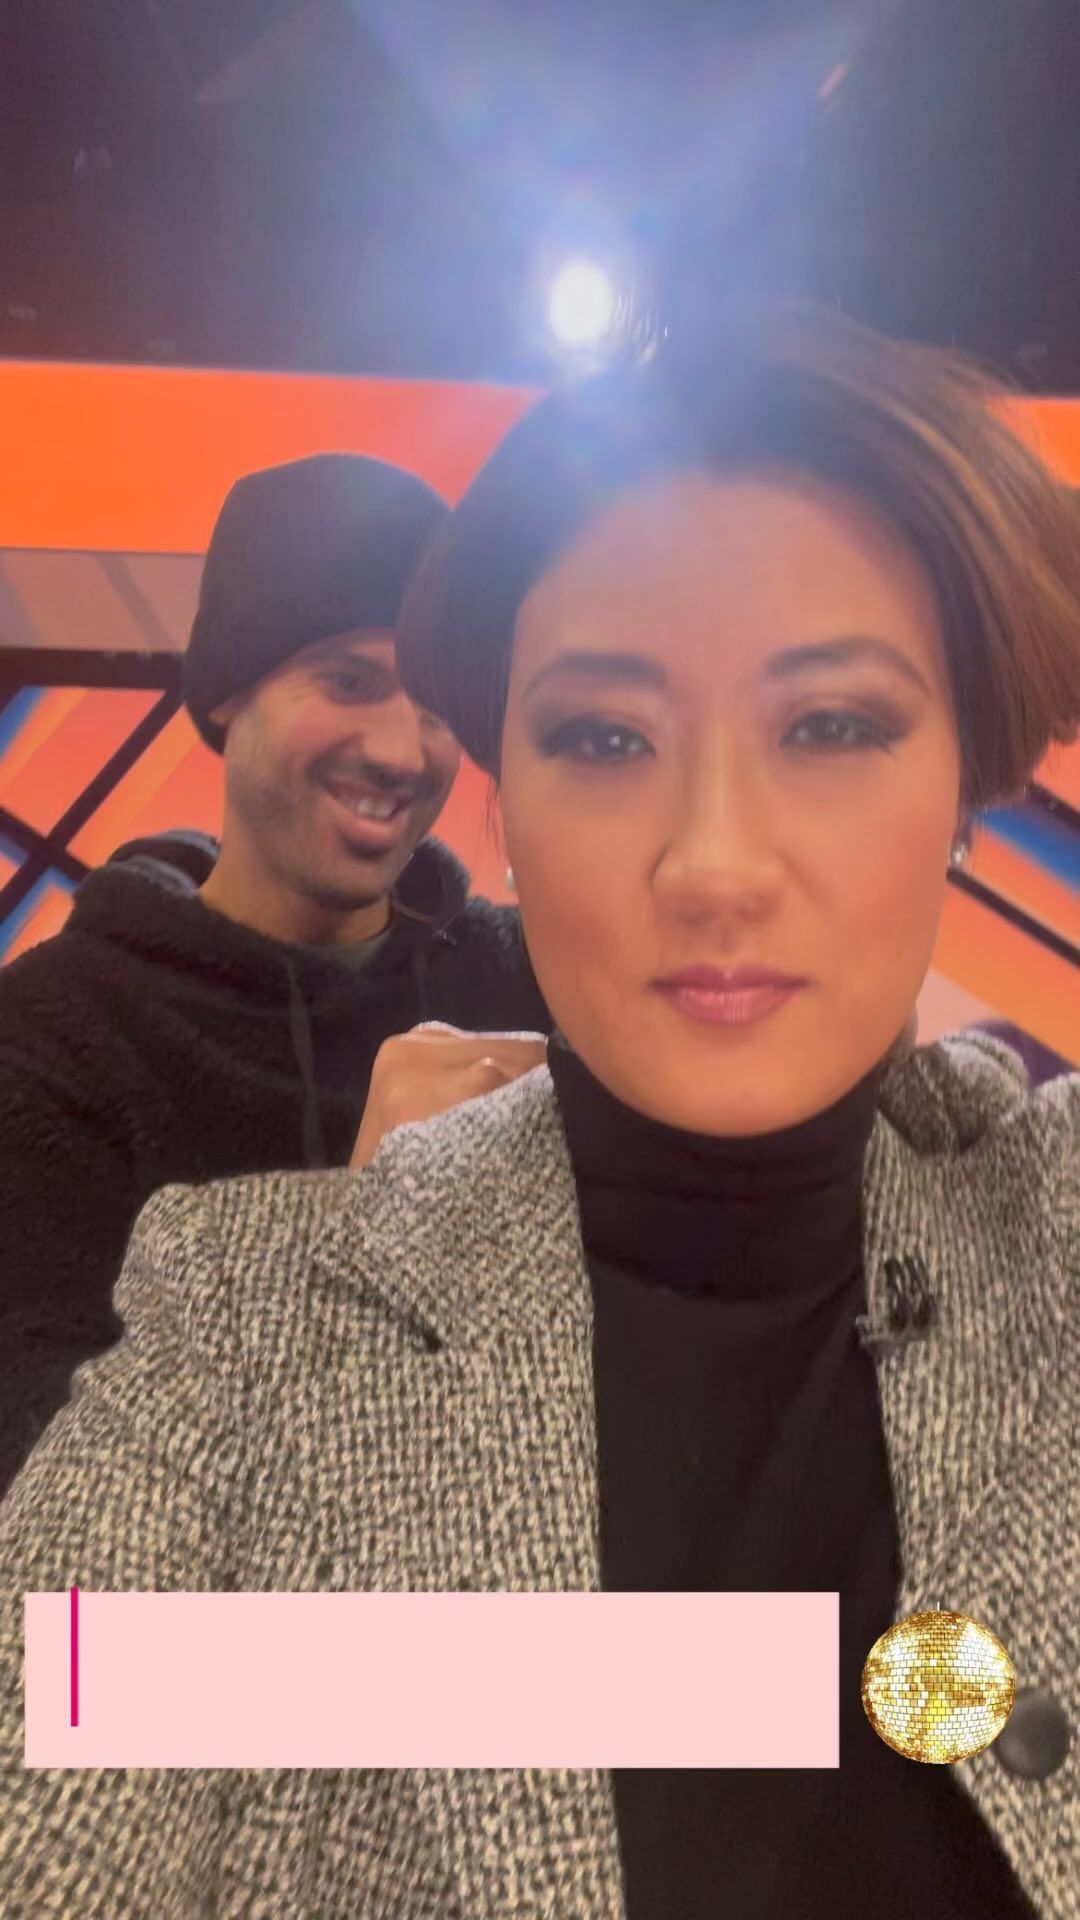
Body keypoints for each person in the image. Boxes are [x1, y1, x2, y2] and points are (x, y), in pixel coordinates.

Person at [1, 309, 1077, 1920]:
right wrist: (740, 1686)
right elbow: (78, 1690)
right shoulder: (213, 1279)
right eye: (603, 737)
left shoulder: (1038, 1214)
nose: (714, 866)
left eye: (834, 726)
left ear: (967, 791)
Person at [0, 450, 550, 1497]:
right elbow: (48, 1504)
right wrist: (357, 1238)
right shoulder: (49, 1044)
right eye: (349, 681)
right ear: (227, 697)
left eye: (437, 704)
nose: (403, 749)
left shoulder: (532, 979)